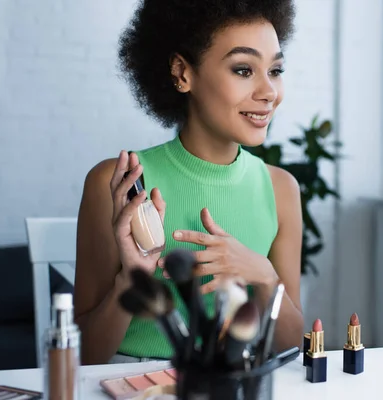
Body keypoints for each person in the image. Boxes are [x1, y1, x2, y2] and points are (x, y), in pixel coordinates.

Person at [73, 0, 303, 365]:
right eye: (243, 70)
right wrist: (132, 277)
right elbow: (82, 357)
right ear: (183, 73)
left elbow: (294, 349)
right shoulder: (121, 183)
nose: (269, 91)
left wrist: (264, 276)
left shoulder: (281, 189)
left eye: (275, 69)